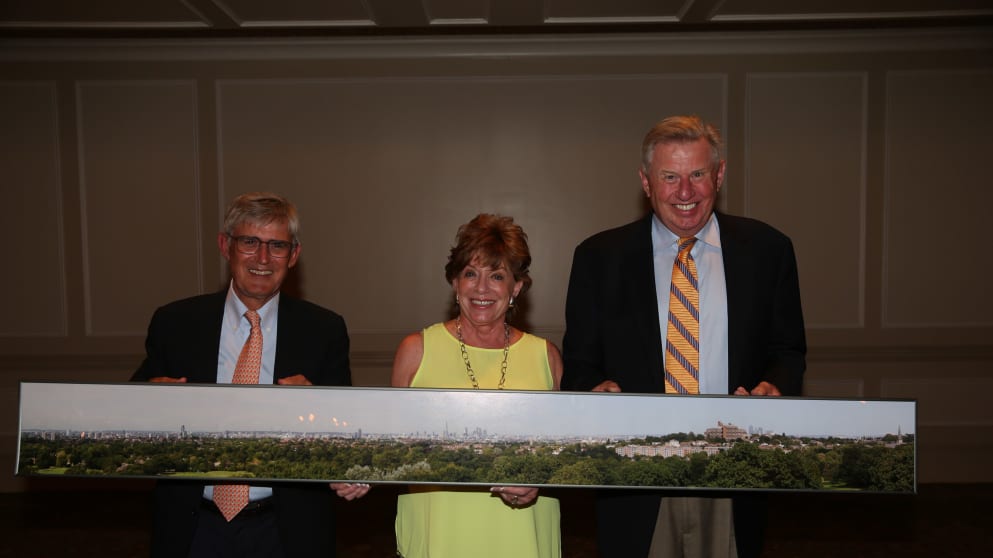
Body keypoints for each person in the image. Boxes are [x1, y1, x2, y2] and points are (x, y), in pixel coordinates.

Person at [561, 115, 806, 558]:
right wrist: (595, 391)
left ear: (719, 175)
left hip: (734, 470)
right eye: (670, 177)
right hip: (636, 477)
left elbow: (787, 351)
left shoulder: (768, 251)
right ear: (646, 182)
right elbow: (578, 364)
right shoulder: (599, 258)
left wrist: (776, 386)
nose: (686, 192)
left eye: (697, 175)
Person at [131, 192, 368, 558]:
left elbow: (346, 428)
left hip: (285, 530)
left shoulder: (323, 330)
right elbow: (129, 409)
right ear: (225, 246)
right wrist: (149, 401)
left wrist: (318, 407)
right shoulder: (176, 324)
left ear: (293, 255)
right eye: (249, 242)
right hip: (193, 528)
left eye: (276, 245)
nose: (262, 258)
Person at [391, 213, 564, 558]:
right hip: (441, 527)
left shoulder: (545, 357)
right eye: (470, 273)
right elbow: (390, 452)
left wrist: (539, 480)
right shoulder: (416, 351)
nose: (481, 289)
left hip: (522, 530)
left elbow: (562, 456)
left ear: (516, 287)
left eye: (497, 276)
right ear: (455, 283)